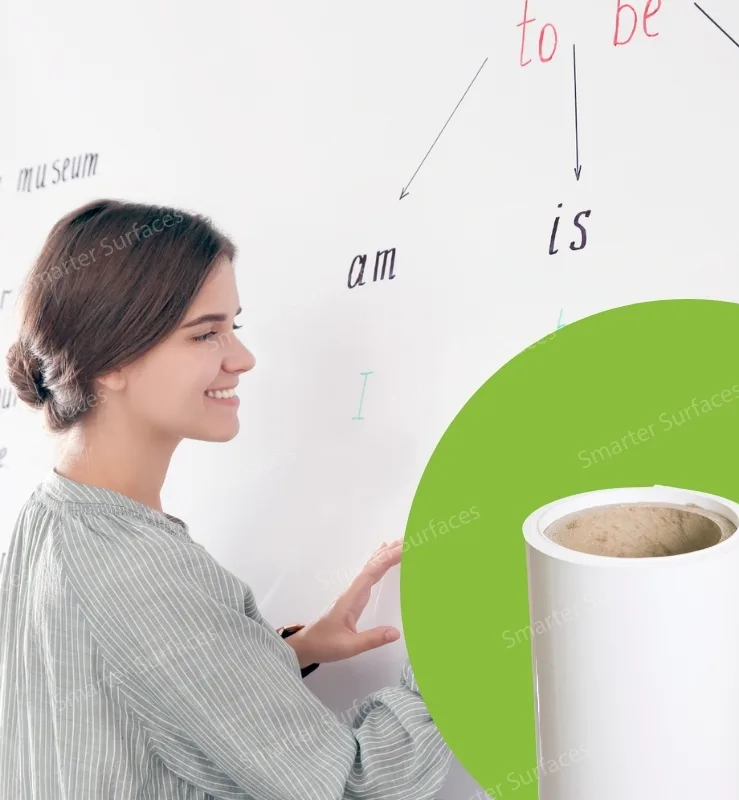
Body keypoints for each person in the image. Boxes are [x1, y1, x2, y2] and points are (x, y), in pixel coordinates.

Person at [0, 199, 452, 799]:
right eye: (206, 333)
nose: (241, 358)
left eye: (234, 326)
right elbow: (351, 785)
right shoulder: (143, 570)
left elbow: (126, 698)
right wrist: (463, 648)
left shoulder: (47, 520)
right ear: (107, 359)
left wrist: (284, 652)